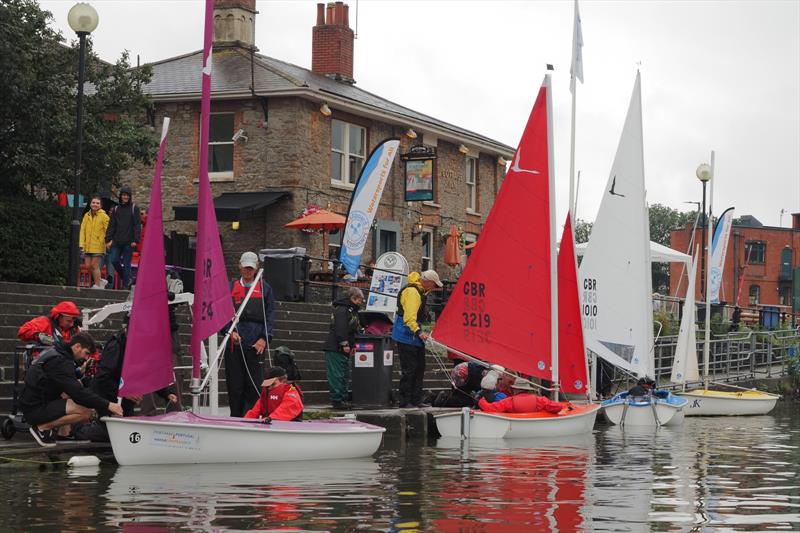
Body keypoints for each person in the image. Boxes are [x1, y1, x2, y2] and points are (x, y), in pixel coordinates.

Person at [19, 333, 124, 447]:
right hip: (35, 409)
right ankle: (42, 428)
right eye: (86, 353)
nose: (86, 358)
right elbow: (78, 393)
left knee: (72, 390)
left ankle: (63, 433)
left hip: (33, 402)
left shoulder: (57, 353)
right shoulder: (60, 361)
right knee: (85, 411)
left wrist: (79, 372)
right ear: (77, 346)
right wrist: (108, 405)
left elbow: (62, 379)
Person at [92, 321, 178, 418]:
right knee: (106, 429)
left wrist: (166, 393)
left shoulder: (141, 347)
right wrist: (125, 392)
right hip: (108, 398)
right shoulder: (116, 346)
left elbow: (148, 372)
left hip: (126, 399)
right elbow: (102, 378)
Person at [226, 251, 275, 417]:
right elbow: (223, 312)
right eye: (245, 267)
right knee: (235, 385)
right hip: (235, 342)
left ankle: (250, 417)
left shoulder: (265, 289)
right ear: (239, 266)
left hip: (255, 344)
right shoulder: (230, 286)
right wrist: (229, 331)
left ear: (256, 269)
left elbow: (270, 316)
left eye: (250, 268)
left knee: (253, 385)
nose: (247, 271)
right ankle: (235, 417)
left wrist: (264, 338)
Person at [392, 269, 442, 408]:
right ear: (427, 282)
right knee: (410, 369)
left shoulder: (420, 291)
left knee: (420, 367)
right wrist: (419, 331)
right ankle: (405, 400)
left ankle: (416, 399)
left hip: (414, 336)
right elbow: (409, 318)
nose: (434, 288)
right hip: (405, 335)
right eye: (433, 285)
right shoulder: (413, 292)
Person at [323, 287, 364, 409]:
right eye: (359, 300)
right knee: (336, 375)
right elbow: (340, 328)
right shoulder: (342, 309)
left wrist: (353, 345)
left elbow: (353, 331)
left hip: (344, 348)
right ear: (353, 298)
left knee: (344, 374)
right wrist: (345, 344)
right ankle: (337, 400)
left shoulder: (352, 311)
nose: (360, 302)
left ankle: (342, 398)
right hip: (335, 348)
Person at [105, 186, 141, 289]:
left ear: (130, 197)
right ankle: (126, 278)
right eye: (123, 195)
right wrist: (108, 239)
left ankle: (126, 286)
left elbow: (137, 225)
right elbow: (112, 225)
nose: (125, 197)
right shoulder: (116, 209)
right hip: (116, 240)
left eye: (127, 195)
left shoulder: (134, 208)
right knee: (113, 260)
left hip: (129, 242)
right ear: (120, 196)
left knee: (126, 264)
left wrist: (136, 239)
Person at [477, 377, 568, 414]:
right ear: (528, 389)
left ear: (515, 389)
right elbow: (558, 407)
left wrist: (481, 401)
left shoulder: (509, 401)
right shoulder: (539, 400)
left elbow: (490, 408)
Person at [17, 301, 82, 347]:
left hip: (66, 362)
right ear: (58, 317)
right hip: (44, 361)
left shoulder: (75, 329)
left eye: (73, 321)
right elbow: (22, 332)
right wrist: (40, 336)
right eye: (69, 321)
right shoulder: (45, 322)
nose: (72, 324)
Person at [79, 195, 110, 289]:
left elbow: (108, 230)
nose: (95, 204)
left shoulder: (104, 216)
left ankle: (97, 285)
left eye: (97, 203)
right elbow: (82, 230)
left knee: (94, 265)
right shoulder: (86, 215)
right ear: (90, 204)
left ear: (100, 205)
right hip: (87, 245)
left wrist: (108, 241)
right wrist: (81, 244)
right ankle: (100, 280)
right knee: (88, 266)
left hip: (99, 245)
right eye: (93, 202)